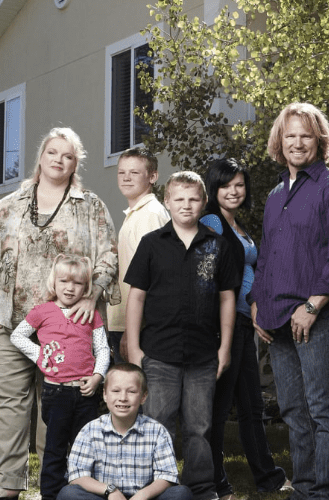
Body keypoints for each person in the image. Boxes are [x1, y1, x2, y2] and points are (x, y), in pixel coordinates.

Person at [0, 127, 119, 500]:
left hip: (70, 326)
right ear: (40, 156)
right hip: (10, 319)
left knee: (58, 408)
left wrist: (93, 295)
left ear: (75, 164)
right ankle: (7, 485)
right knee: (9, 402)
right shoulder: (8, 205)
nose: (59, 159)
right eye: (52, 152)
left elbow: (108, 257)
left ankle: (61, 485)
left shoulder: (91, 206)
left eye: (67, 155)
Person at [249, 102, 329, 500]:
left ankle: (327, 492)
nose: (297, 143)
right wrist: (257, 303)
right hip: (277, 317)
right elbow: (267, 257)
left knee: (321, 407)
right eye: (290, 135)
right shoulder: (276, 193)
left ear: (320, 140)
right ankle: (306, 488)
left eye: (306, 135)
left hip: (318, 315)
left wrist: (312, 306)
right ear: (280, 140)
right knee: (294, 410)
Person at [124, 171, 238, 500]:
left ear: (204, 203)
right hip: (158, 353)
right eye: (179, 199)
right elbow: (137, 297)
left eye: (193, 199)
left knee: (199, 427)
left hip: (204, 354)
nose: (186, 205)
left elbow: (227, 298)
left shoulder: (217, 246)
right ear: (167, 202)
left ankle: (200, 490)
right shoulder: (151, 245)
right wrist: (134, 349)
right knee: (156, 422)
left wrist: (224, 348)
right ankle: (152, 488)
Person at [201, 159, 291, 497]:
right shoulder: (210, 221)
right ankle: (215, 482)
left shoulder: (237, 224)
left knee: (251, 405)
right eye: (227, 185)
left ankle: (268, 477)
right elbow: (216, 272)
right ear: (214, 188)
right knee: (220, 408)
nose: (234, 191)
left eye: (240, 185)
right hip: (223, 326)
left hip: (242, 323)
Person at [11, 254, 111, 500]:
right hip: (56, 393)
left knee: (85, 448)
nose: (69, 287)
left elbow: (102, 349)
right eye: (63, 281)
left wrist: (98, 376)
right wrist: (41, 355)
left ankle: (81, 493)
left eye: (77, 283)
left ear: (86, 287)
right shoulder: (42, 311)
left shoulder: (91, 314)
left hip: (85, 393)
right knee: (55, 448)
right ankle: (51, 495)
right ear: (53, 283)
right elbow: (18, 336)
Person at [60, 363, 192, 500]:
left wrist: (142, 495)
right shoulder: (89, 430)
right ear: (105, 395)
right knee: (68, 494)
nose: (123, 397)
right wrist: (110, 491)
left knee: (181, 493)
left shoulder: (157, 431)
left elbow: (167, 476)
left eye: (132, 391)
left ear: (143, 397)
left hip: (145, 497)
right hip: (105, 496)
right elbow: (77, 476)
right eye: (116, 391)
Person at [111, 148, 169, 364]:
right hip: (126, 324)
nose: (126, 178)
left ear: (152, 177)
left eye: (134, 173)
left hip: (137, 327)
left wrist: (131, 331)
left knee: (136, 394)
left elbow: (153, 277)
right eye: (121, 172)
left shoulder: (150, 215)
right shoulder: (137, 214)